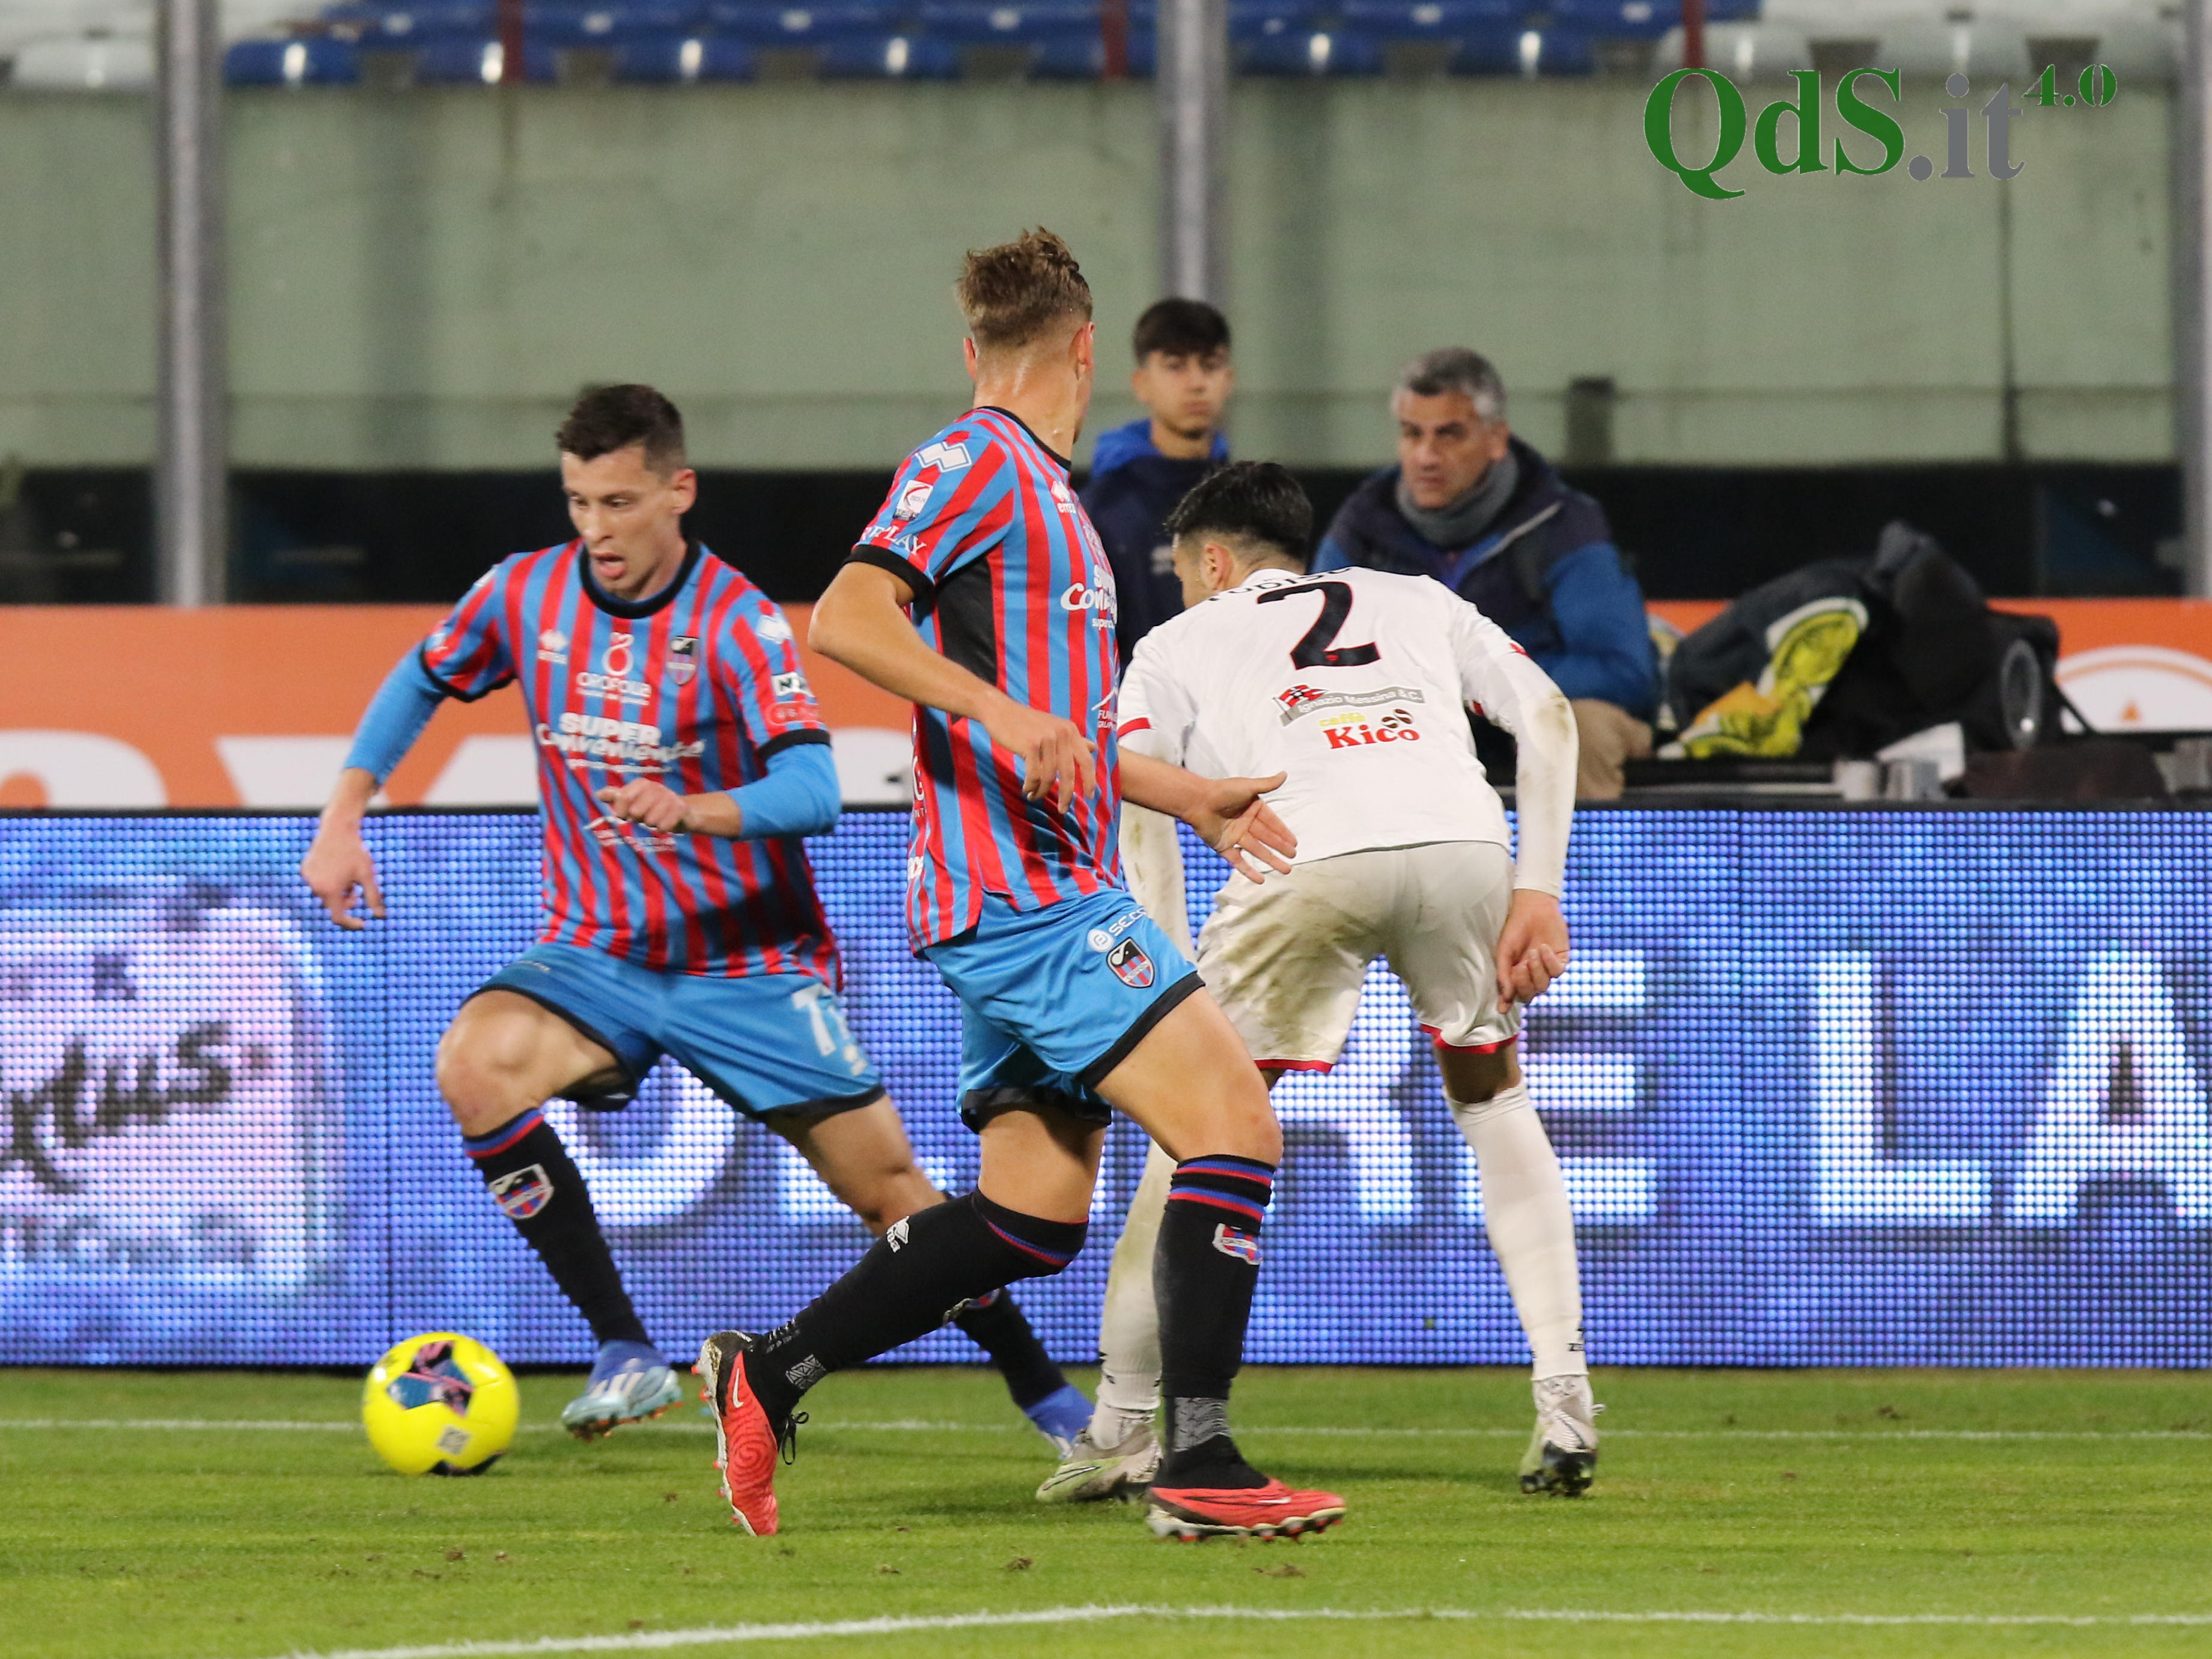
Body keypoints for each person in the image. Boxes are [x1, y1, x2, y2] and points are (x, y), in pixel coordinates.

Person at [695, 230, 1347, 1543]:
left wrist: (1183, 793)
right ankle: (1201, 1462)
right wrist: (996, 711)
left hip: (1033, 885)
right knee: (1233, 1127)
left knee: (1029, 1218)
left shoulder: (1050, 500)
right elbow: (845, 617)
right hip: (1027, 897)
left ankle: (770, 1373)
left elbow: (1061, 731)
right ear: (1089, 350)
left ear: (973, 343)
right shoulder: (976, 462)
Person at [299, 384, 1086, 1452]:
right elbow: (420, 678)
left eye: (619, 502)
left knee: (893, 1195)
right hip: (597, 952)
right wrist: (343, 814)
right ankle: (625, 1350)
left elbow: (814, 789)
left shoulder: (736, 620)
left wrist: (696, 810)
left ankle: (1046, 1397)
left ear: (679, 491)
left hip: (745, 965)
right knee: (474, 1066)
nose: (597, 529)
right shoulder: (524, 594)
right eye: (579, 502)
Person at [1038, 461, 1600, 1503]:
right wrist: (1540, 889)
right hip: (1462, 845)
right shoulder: (1417, 598)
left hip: (1300, 851)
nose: (1181, 588)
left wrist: (1165, 963)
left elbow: (1137, 792)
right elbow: (1551, 716)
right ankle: (1565, 1400)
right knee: (1492, 1095)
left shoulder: (1176, 641)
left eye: (1181, 572)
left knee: (1194, 1129)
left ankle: (1121, 1422)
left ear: (1213, 562)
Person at [1314, 348, 1659, 800]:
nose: (1426, 456)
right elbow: (1312, 663)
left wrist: (1484, 674)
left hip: (1534, 712)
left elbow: (1625, 675)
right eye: (1412, 434)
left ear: (1496, 440)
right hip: (1415, 718)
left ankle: (1573, 850)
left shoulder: (1564, 525)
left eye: (1449, 435)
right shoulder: (1364, 524)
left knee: (1577, 728)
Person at [1079, 297, 1235, 666]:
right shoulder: (1101, 512)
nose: (1197, 383)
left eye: (1210, 365)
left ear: (1229, 379)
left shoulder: (1251, 502)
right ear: (1142, 383)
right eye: (1175, 366)